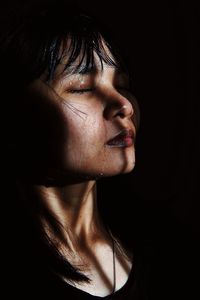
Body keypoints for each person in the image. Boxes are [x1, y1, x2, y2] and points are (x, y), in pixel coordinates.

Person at [0, 1, 147, 299]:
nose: (124, 105)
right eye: (83, 88)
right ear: (15, 114)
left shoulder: (167, 245)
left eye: (122, 84)